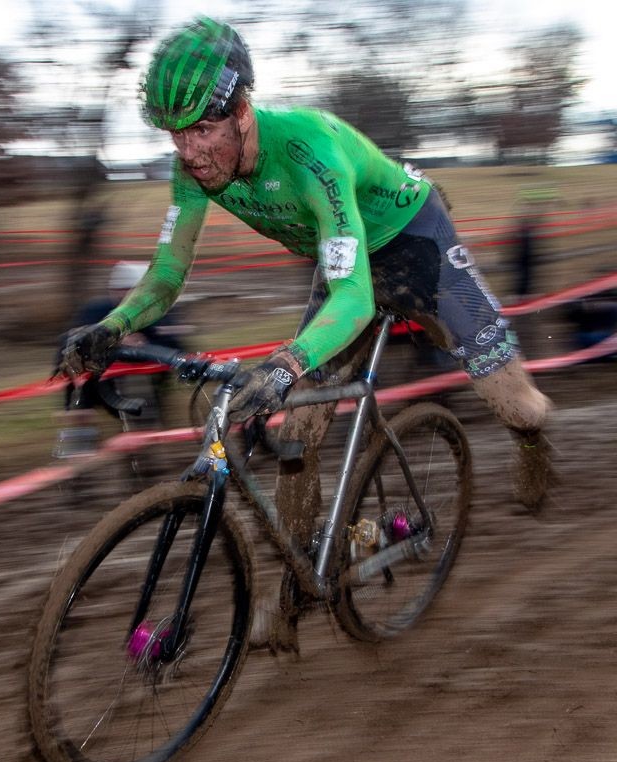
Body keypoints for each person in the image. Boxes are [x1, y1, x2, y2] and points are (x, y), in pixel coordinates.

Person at [58, 16, 553, 526]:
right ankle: (298, 588)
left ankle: (532, 437)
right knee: (297, 436)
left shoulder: (308, 150)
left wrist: (286, 365)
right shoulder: (193, 170)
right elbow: (168, 273)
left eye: (203, 130)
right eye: (176, 135)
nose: (190, 152)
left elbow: (355, 299)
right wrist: (113, 326)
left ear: (242, 112)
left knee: (516, 406)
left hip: (414, 241)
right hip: (344, 258)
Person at [53, 260, 171, 458]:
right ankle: (77, 458)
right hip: (95, 385)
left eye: (130, 291)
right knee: (80, 406)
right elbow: (68, 346)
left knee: (144, 416)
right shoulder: (95, 311)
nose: (122, 295)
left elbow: (175, 346)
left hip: (142, 388)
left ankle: (145, 454)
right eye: (118, 290)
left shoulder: (156, 314)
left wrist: (145, 345)